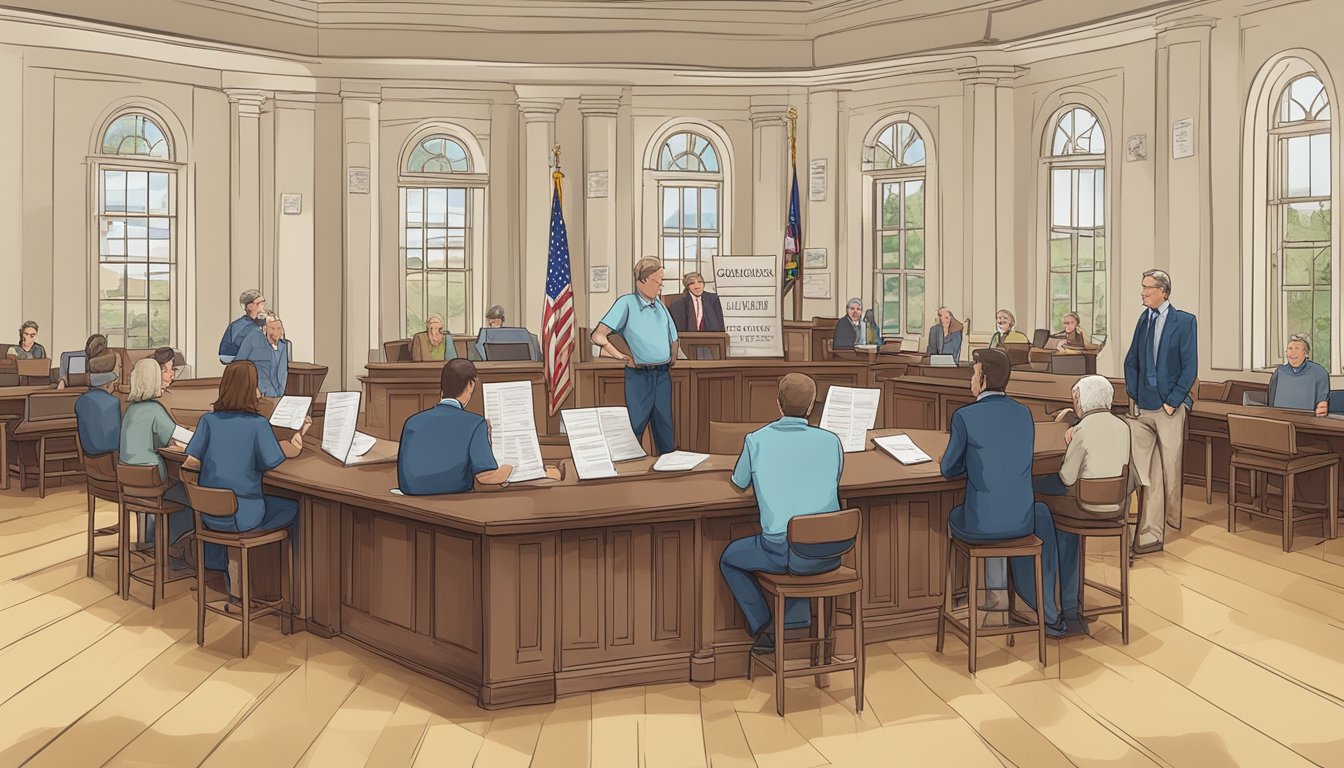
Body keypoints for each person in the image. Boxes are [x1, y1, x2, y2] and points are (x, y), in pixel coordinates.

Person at [720, 373, 850, 653]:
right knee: (801, 548)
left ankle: (766, 627)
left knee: (730, 558)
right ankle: (794, 620)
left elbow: (739, 482)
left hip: (783, 551)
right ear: (812, 405)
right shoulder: (832, 441)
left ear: (778, 404)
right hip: (830, 551)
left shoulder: (756, 440)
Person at [940, 348, 1065, 636]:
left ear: (983, 378)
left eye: (974, 372)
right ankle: (1010, 599)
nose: (971, 378)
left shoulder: (965, 417)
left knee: (957, 515)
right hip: (1022, 522)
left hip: (981, 525)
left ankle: (970, 599)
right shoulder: (1023, 414)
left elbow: (948, 469)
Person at [183, 362, 308, 601]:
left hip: (208, 514)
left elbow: (191, 461)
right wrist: (295, 445)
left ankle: (233, 583)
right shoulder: (257, 425)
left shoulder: (208, 421)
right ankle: (290, 598)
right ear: (251, 389)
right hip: (244, 515)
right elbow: (274, 459)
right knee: (296, 508)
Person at [1031, 375, 1133, 636]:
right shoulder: (1123, 427)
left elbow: (1066, 477)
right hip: (1116, 507)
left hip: (1084, 507)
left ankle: (1057, 603)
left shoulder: (1083, 430)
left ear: (1082, 401)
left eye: (1075, 399)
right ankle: (1070, 605)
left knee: (1046, 503)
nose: (1073, 403)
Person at [397, 359, 557, 494]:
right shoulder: (475, 423)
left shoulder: (412, 422)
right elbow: (487, 477)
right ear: (470, 385)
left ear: (442, 387)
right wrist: (508, 468)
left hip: (411, 491)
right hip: (454, 499)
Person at [1123, 268, 1197, 555]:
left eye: (1148, 288)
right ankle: (1151, 530)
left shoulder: (1184, 321)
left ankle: (1169, 522)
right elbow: (1132, 360)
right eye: (1143, 287)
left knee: (1169, 468)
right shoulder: (1144, 319)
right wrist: (1134, 393)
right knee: (1147, 471)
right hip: (1143, 406)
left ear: (1163, 291)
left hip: (1169, 408)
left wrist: (1173, 401)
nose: (1143, 292)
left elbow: (1190, 367)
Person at [592, 257, 680, 455]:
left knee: (665, 428)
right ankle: (632, 473)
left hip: (662, 375)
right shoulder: (626, 303)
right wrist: (619, 356)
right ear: (642, 281)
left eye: (661, 282)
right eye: (657, 281)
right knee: (635, 425)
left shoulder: (660, 307)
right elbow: (598, 335)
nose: (660, 287)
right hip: (640, 376)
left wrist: (672, 355)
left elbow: (674, 336)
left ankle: (669, 474)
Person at [120, 358, 194, 551]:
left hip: (130, 481)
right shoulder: (154, 410)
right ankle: (174, 548)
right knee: (189, 493)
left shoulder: (131, 410)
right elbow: (181, 436)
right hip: (152, 481)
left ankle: (156, 541)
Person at [74, 336, 122, 458]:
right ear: (109, 382)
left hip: (89, 457)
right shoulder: (114, 402)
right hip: (110, 458)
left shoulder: (80, 401)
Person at [1268, 333, 1329, 415]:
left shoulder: (1319, 373)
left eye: (1297, 348)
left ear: (1306, 353)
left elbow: (1322, 408)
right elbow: (1270, 405)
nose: (1293, 352)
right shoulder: (1279, 372)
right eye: (1290, 348)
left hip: (1308, 423)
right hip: (1281, 422)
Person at [236, 313, 290, 398]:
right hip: (254, 391)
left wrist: (281, 395)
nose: (276, 332)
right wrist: (252, 388)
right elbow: (237, 365)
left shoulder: (283, 345)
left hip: (276, 393)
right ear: (265, 328)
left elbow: (282, 373)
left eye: (279, 328)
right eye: (272, 328)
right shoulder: (253, 338)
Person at [218, 289, 267, 364]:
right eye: (261, 302)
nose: (264, 305)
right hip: (243, 365)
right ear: (250, 306)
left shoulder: (237, 324)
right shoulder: (246, 326)